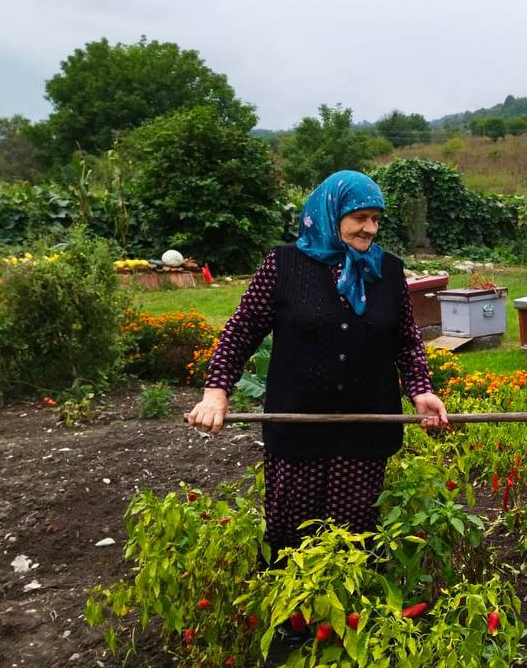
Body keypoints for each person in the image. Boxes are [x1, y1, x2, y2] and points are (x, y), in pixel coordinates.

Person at [187, 171, 449, 552]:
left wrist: (421, 390)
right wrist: (215, 393)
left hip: (366, 430)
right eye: (360, 217)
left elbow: (406, 341)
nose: (370, 229)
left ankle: (352, 613)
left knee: (355, 541)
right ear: (332, 212)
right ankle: (291, 612)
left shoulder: (387, 271)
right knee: (290, 539)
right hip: (298, 429)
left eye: (376, 219)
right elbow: (241, 331)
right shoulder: (284, 266)